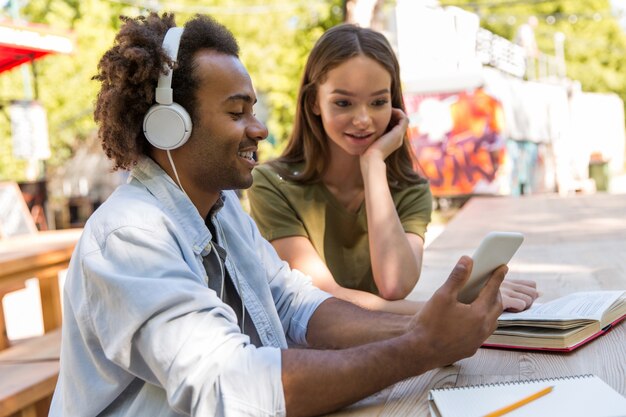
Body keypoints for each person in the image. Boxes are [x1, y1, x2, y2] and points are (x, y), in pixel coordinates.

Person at [50, 13, 508, 417]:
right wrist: (418, 348)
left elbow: (297, 306)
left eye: (254, 109)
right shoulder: (130, 238)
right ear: (170, 124)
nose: (260, 128)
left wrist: (428, 325)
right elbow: (227, 384)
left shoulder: (223, 210)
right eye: (237, 112)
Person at [248, 24, 538, 315]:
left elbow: (394, 285)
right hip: (307, 351)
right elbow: (323, 298)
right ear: (314, 102)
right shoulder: (272, 183)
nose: (363, 119)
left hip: (387, 345)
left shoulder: (411, 188)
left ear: (394, 104)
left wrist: (374, 165)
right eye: (343, 102)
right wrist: (450, 306)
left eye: (378, 102)